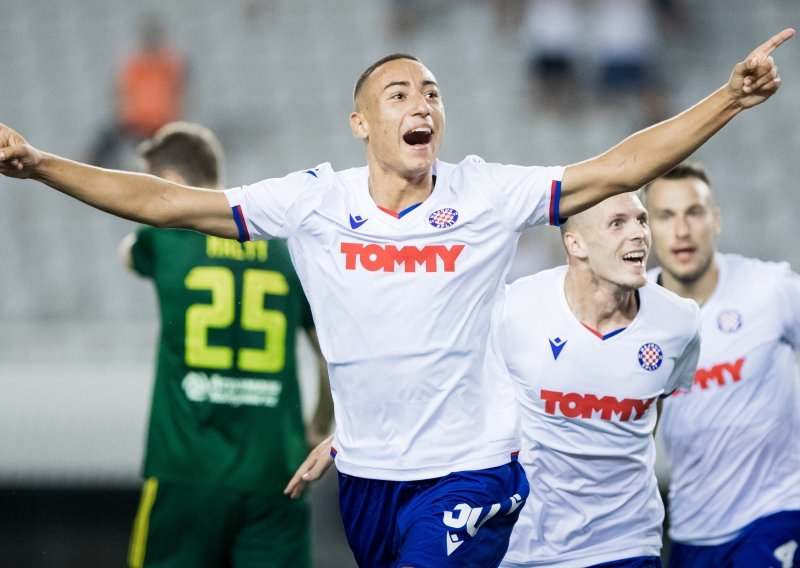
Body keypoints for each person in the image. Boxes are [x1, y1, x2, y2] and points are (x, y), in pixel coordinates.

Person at [0, 29, 792, 567]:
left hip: (472, 471)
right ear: (359, 123)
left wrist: (727, 98)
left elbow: (616, 168)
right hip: (370, 479)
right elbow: (168, 204)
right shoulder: (314, 202)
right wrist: (40, 164)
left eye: (433, 92)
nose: (423, 104)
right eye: (400, 93)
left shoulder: (486, 193)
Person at [120, 121, 332, 568]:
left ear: (171, 183)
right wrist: (319, 424)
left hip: (185, 469)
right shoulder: (284, 248)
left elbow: (128, 254)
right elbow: (331, 354)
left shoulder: (162, 236)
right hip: (278, 471)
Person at [499, 192, 700, 568]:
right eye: (617, 223)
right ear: (574, 242)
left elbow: (654, 403)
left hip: (626, 542)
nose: (639, 233)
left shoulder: (680, 322)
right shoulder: (514, 308)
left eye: (641, 220)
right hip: (526, 545)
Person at [643, 162, 800, 568]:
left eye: (693, 213)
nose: (682, 230)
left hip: (776, 514)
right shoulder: (634, 313)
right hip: (690, 529)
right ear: (647, 229)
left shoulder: (771, 289)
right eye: (665, 216)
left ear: (716, 221)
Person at [88, 13, 186, 169]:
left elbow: (177, 94)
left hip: (158, 127)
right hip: (136, 125)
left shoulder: (169, 62)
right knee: (102, 144)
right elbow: (121, 93)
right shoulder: (134, 62)